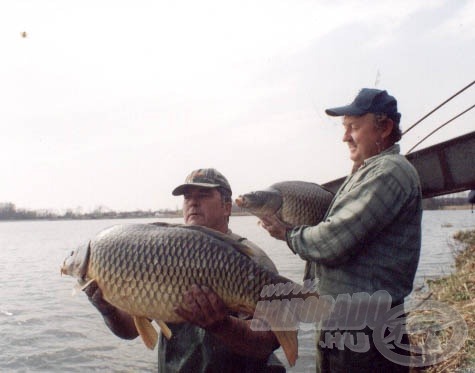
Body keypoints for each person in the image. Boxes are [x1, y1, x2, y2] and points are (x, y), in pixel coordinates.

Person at [260, 88, 422, 372]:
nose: (345, 136)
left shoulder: (389, 172)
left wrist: (287, 234)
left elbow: (333, 241)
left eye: (353, 127)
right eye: (345, 127)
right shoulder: (367, 171)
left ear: (384, 128)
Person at [84, 168, 285, 372]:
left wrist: (223, 326)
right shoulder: (162, 251)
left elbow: (269, 340)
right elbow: (129, 330)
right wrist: (107, 308)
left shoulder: (252, 260)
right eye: (187, 197)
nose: (193, 202)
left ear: (227, 207)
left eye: (203, 195)